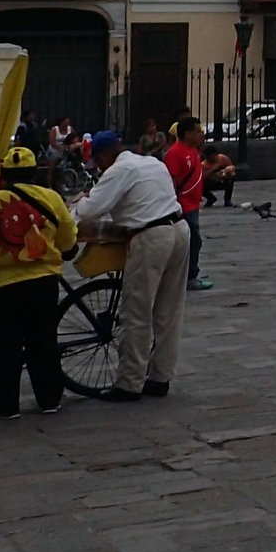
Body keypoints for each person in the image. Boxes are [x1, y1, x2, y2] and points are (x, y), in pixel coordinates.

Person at [0, 146, 78, 418]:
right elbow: (69, 242)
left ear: (5, 174)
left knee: (5, 344)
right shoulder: (52, 199)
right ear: (34, 172)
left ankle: (6, 405)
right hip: (42, 282)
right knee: (43, 340)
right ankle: (49, 399)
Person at [74, 130, 192, 401]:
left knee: (136, 312)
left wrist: (78, 204)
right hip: (179, 229)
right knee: (169, 312)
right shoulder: (151, 162)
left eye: (98, 163)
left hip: (151, 238)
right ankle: (160, 378)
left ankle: (129, 382)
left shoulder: (119, 169)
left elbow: (91, 210)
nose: (99, 169)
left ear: (105, 156)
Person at [163, 119, 215, 289]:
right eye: (198, 131)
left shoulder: (193, 150)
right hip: (183, 205)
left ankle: (189, 274)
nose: (202, 134)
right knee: (193, 241)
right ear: (187, 134)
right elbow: (170, 180)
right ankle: (189, 276)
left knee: (193, 240)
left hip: (193, 203)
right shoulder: (175, 153)